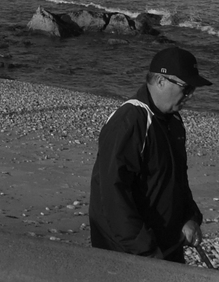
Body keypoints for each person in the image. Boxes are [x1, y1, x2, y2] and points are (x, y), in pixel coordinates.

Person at [89, 45, 211, 263]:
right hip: (128, 254)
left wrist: (190, 217)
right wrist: (144, 250)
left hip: (167, 247)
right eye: (186, 87)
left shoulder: (173, 122)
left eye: (193, 88)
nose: (190, 95)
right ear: (161, 80)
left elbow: (177, 180)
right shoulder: (130, 120)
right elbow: (112, 193)